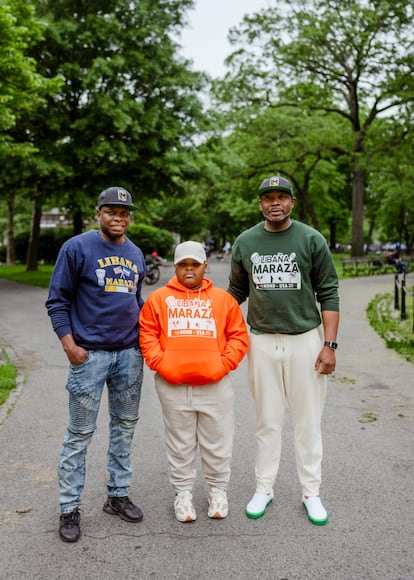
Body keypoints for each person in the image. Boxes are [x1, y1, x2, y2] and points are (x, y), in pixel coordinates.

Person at [227, 175, 339, 526]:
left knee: (308, 422)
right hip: (260, 340)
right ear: (260, 204)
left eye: (281, 197)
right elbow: (234, 293)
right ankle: (265, 488)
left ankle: (311, 492)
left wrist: (329, 344)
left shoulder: (310, 239)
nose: (274, 202)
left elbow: (329, 292)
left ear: (292, 202)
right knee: (267, 421)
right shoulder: (245, 242)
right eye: (267, 197)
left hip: (305, 339)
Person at [46, 186, 146, 542]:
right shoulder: (77, 248)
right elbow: (57, 300)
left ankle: (117, 496)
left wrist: (142, 343)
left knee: (125, 426)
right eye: (111, 211)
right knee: (80, 434)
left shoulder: (135, 253)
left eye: (124, 213)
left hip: (129, 356)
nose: (118, 217)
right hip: (89, 356)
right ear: (98, 213)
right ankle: (69, 508)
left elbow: (135, 299)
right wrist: (69, 345)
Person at [139, 241, 248, 522]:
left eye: (195, 264)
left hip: (215, 385)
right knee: (180, 443)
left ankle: (217, 491)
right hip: (173, 386)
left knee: (218, 442)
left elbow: (237, 335)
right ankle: (183, 494)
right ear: (175, 267)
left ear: (205, 266)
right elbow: (148, 334)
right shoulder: (159, 299)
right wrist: (161, 364)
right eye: (183, 265)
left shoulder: (223, 300)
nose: (189, 270)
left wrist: (223, 365)